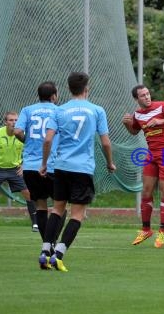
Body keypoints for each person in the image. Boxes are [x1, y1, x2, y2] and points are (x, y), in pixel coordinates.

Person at [38, 71, 116, 272]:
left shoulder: (59, 110)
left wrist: (45, 163)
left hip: (61, 166)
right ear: (86, 89)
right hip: (82, 168)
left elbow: (48, 140)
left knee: (57, 209)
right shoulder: (97, 110)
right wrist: (110, 163)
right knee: (78, 214)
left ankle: (45, 251)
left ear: (69, 89)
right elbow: (105, 142)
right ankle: (59, 254)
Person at [122, 84, 164, 248]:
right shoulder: (137, 114)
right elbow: (135, 131)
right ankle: (146, 229)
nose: (147, 97)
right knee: (146, 191)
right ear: (136, 99)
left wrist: (161, 120)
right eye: (142, 95)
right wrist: (127, 124)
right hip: (151, 154)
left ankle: (162, 232)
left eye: (148, 93)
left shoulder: (162, 106)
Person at [14, 81, 67, 247]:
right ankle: (52, 241)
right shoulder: (60, 111)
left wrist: (27, 141)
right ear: (54, 96)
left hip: (30, 166)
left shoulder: (27, 110)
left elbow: (16, 131)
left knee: (41, 205)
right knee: (61, 206)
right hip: (52, 164)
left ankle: (46, 243)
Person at [0, 111, 37, 231]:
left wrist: (24, 165)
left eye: (16, 120)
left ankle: (35, 224)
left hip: (16, 170)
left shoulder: (23, 134)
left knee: (29, 193)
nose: (14, 122)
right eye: (11, 120)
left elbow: (32, 150)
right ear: (5, 122)